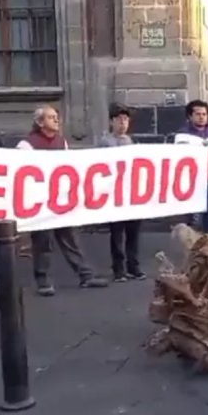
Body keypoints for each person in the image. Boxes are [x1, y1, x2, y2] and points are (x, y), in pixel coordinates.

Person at [17, 105, 109, 294]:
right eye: (51, 117)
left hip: (60, 200)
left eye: (56, 116)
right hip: (40, 202)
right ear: (40, 122)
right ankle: (43, 281)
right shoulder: (26, 145)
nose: (56, 120)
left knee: (70, 238)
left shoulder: (61, 142)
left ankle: (85, 275)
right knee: (43, 242)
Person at [98, 103, 146, 283]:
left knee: (133, 233)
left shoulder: (131, 142)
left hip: (131, 194)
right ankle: (119, 269)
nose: (123, 123)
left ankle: (133, 266)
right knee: (117, 233)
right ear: (112, 122)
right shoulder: (105, 143)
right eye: (119, 120)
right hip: (114, 194)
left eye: (126, 120)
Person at [174, 100, 208, 234]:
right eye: (198, 114)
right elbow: (177, 161)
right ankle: (193, 252)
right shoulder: (182, 135)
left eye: (204, 114)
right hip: (193, 184)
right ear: (190, 116)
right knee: (194, 221)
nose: (201, 117)